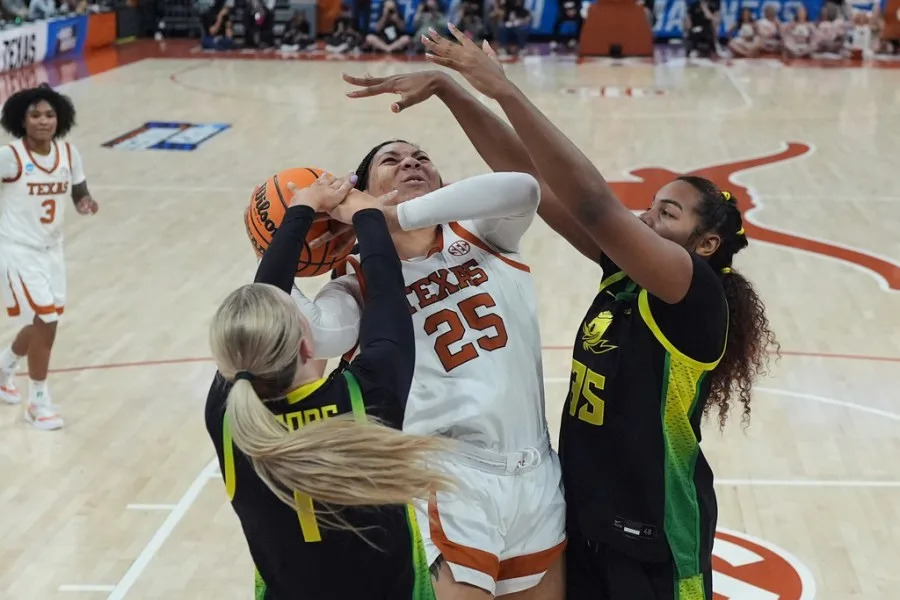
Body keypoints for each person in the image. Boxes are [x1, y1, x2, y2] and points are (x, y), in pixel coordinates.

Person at [347, 25, 778, 600]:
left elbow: (593, 205)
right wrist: (453, 93)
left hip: (653, 534)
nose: (644, 218)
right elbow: (534, 178)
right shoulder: (626, 273)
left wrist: (504, 90)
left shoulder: (692, 293)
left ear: (705, 246)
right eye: (650, 207)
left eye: (666, 214)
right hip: (580, 513)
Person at [289, 157, 566, 598]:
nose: (410, 162)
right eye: (391, 159)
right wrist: (283, 238)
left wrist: (391, 215)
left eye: (420, 157)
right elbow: (313, 334)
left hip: (536, 472)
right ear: (361, 192)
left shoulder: (482, 234)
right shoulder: (357, 281)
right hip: (446, 479)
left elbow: (524, 188)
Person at [206, 172, 452, 599]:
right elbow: (388, 295)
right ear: (308, 344)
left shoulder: (229, 419)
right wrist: (351, 213)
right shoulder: (361, 402)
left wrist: (313, 211)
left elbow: (384, 299)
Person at [0, 84, 99, 431]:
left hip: (52, 251)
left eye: (49, 115)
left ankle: (4, 365)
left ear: (60, 119)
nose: (43, 121)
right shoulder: (10, 157)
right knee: (47, 321)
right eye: (35, 115)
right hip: (16, 250)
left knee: (42, 322)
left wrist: (85, 204)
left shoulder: (69, 154)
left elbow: (79, 192)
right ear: (21, 120)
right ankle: (38, 402)